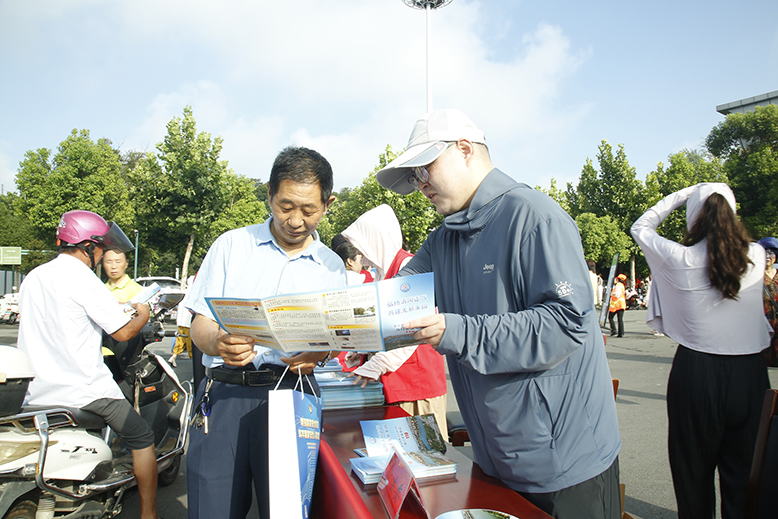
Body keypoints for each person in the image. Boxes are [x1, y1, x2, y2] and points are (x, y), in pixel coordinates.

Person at [376, 109, 621, 518]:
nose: (420, 185)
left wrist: (457, 332)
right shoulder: (442, 241)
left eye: (424, 169)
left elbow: (567, 322)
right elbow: (393, 298)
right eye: (413, 177)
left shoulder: (535, 216)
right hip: (495, 461)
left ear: (466, 149)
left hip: (564, 464)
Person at [185, 146, 346, 519]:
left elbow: (337, 340)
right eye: (286, 206)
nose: (295, 220)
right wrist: (218, 342)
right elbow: (199, 323)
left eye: (309, 210)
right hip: (226, 395)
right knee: (213, 508)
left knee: (286, 510)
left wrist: (318, 355)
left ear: (328, 203)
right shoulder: (232, 246)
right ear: (269, 194)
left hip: (293, 395)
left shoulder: (331, 266)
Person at [631, 183, 770, 519]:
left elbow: (641, 226)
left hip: (697, 372)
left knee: (692, 477)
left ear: (694, 216)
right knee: (744, 480)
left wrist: (684, 194)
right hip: (751, 375)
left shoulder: (679, 257)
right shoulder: (757, 255)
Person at [17, 210, 160, 519]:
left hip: (35, 390)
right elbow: (122, 331)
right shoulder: (84, 278)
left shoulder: (34, 277)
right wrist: (144, 313)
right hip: (84, 388)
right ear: (89, 246)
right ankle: (149, 513)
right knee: (141, 437)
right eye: (101, 247)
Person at [340, 204, 448, 434]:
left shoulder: (408, 266)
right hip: (395, 381)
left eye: (362, 246)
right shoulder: (382, 273)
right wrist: (364, 349)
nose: (360, 254)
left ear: (376, 239)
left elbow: (414, 328)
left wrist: (378, 362)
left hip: (416, 385)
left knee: (425, 455)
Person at [758, 237, 778, 366]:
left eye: (771, 252)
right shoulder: (754, 278)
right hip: (762, 329)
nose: (768, 256)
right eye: (764, 252)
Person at [169, 276, 195, 368]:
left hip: (181, 321)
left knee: (180, 341)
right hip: (188, 322)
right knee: (191, 345)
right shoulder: (194, 293)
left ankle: (174, 356)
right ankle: (195, 368)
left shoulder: (184, 291)